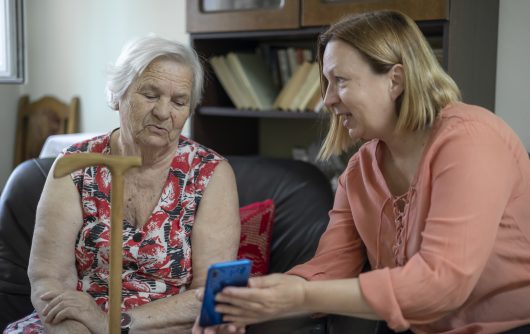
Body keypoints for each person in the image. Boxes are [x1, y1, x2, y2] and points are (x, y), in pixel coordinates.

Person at [193, 10, 530, 334]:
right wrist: (254, 299)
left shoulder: (471, 140)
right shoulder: (360, 170)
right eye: (325, 82)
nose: (326, 99)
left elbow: (441, 283)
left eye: (339, 80)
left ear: (395, 80)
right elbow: (332, 265)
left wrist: (299, 295)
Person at [5, 35, 241, 334]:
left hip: (165, 326)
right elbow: (48, 277)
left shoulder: (210, 174)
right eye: (151, 95)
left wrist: (113, 325)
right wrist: (74, 328)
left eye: (179, 101)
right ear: (117, 94)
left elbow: (209, 292)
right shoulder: (75, 165)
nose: (163, 111)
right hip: (75, 323)